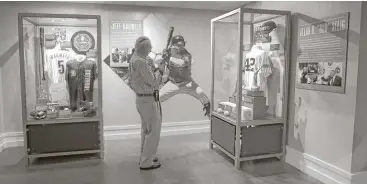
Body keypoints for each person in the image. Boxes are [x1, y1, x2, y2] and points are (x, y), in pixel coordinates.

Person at [129, 36, 163, 170]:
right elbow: (154, 82)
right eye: (149, 48)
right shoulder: (141, 62)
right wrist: (160, 70)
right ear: (144, 48)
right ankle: (146, 162)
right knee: (153, 131)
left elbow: (145, 74)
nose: (151, 51)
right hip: (148, 98)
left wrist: (152, 63)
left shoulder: (135, 59)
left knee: (146, 130)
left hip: (142, 98)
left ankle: (146, 156)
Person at [156, 35, 211, 117]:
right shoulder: (169, 52)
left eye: (182, 44)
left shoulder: (187, 54)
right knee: (157, 98)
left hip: (187, 83)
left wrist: (169, 58)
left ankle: (210, 113)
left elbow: (182, 63)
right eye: (179, 45)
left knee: (202, 94)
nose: (181, 47)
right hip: (173, 83)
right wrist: (162, 56)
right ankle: (154, 116)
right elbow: (157, 61)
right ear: (173, 45)